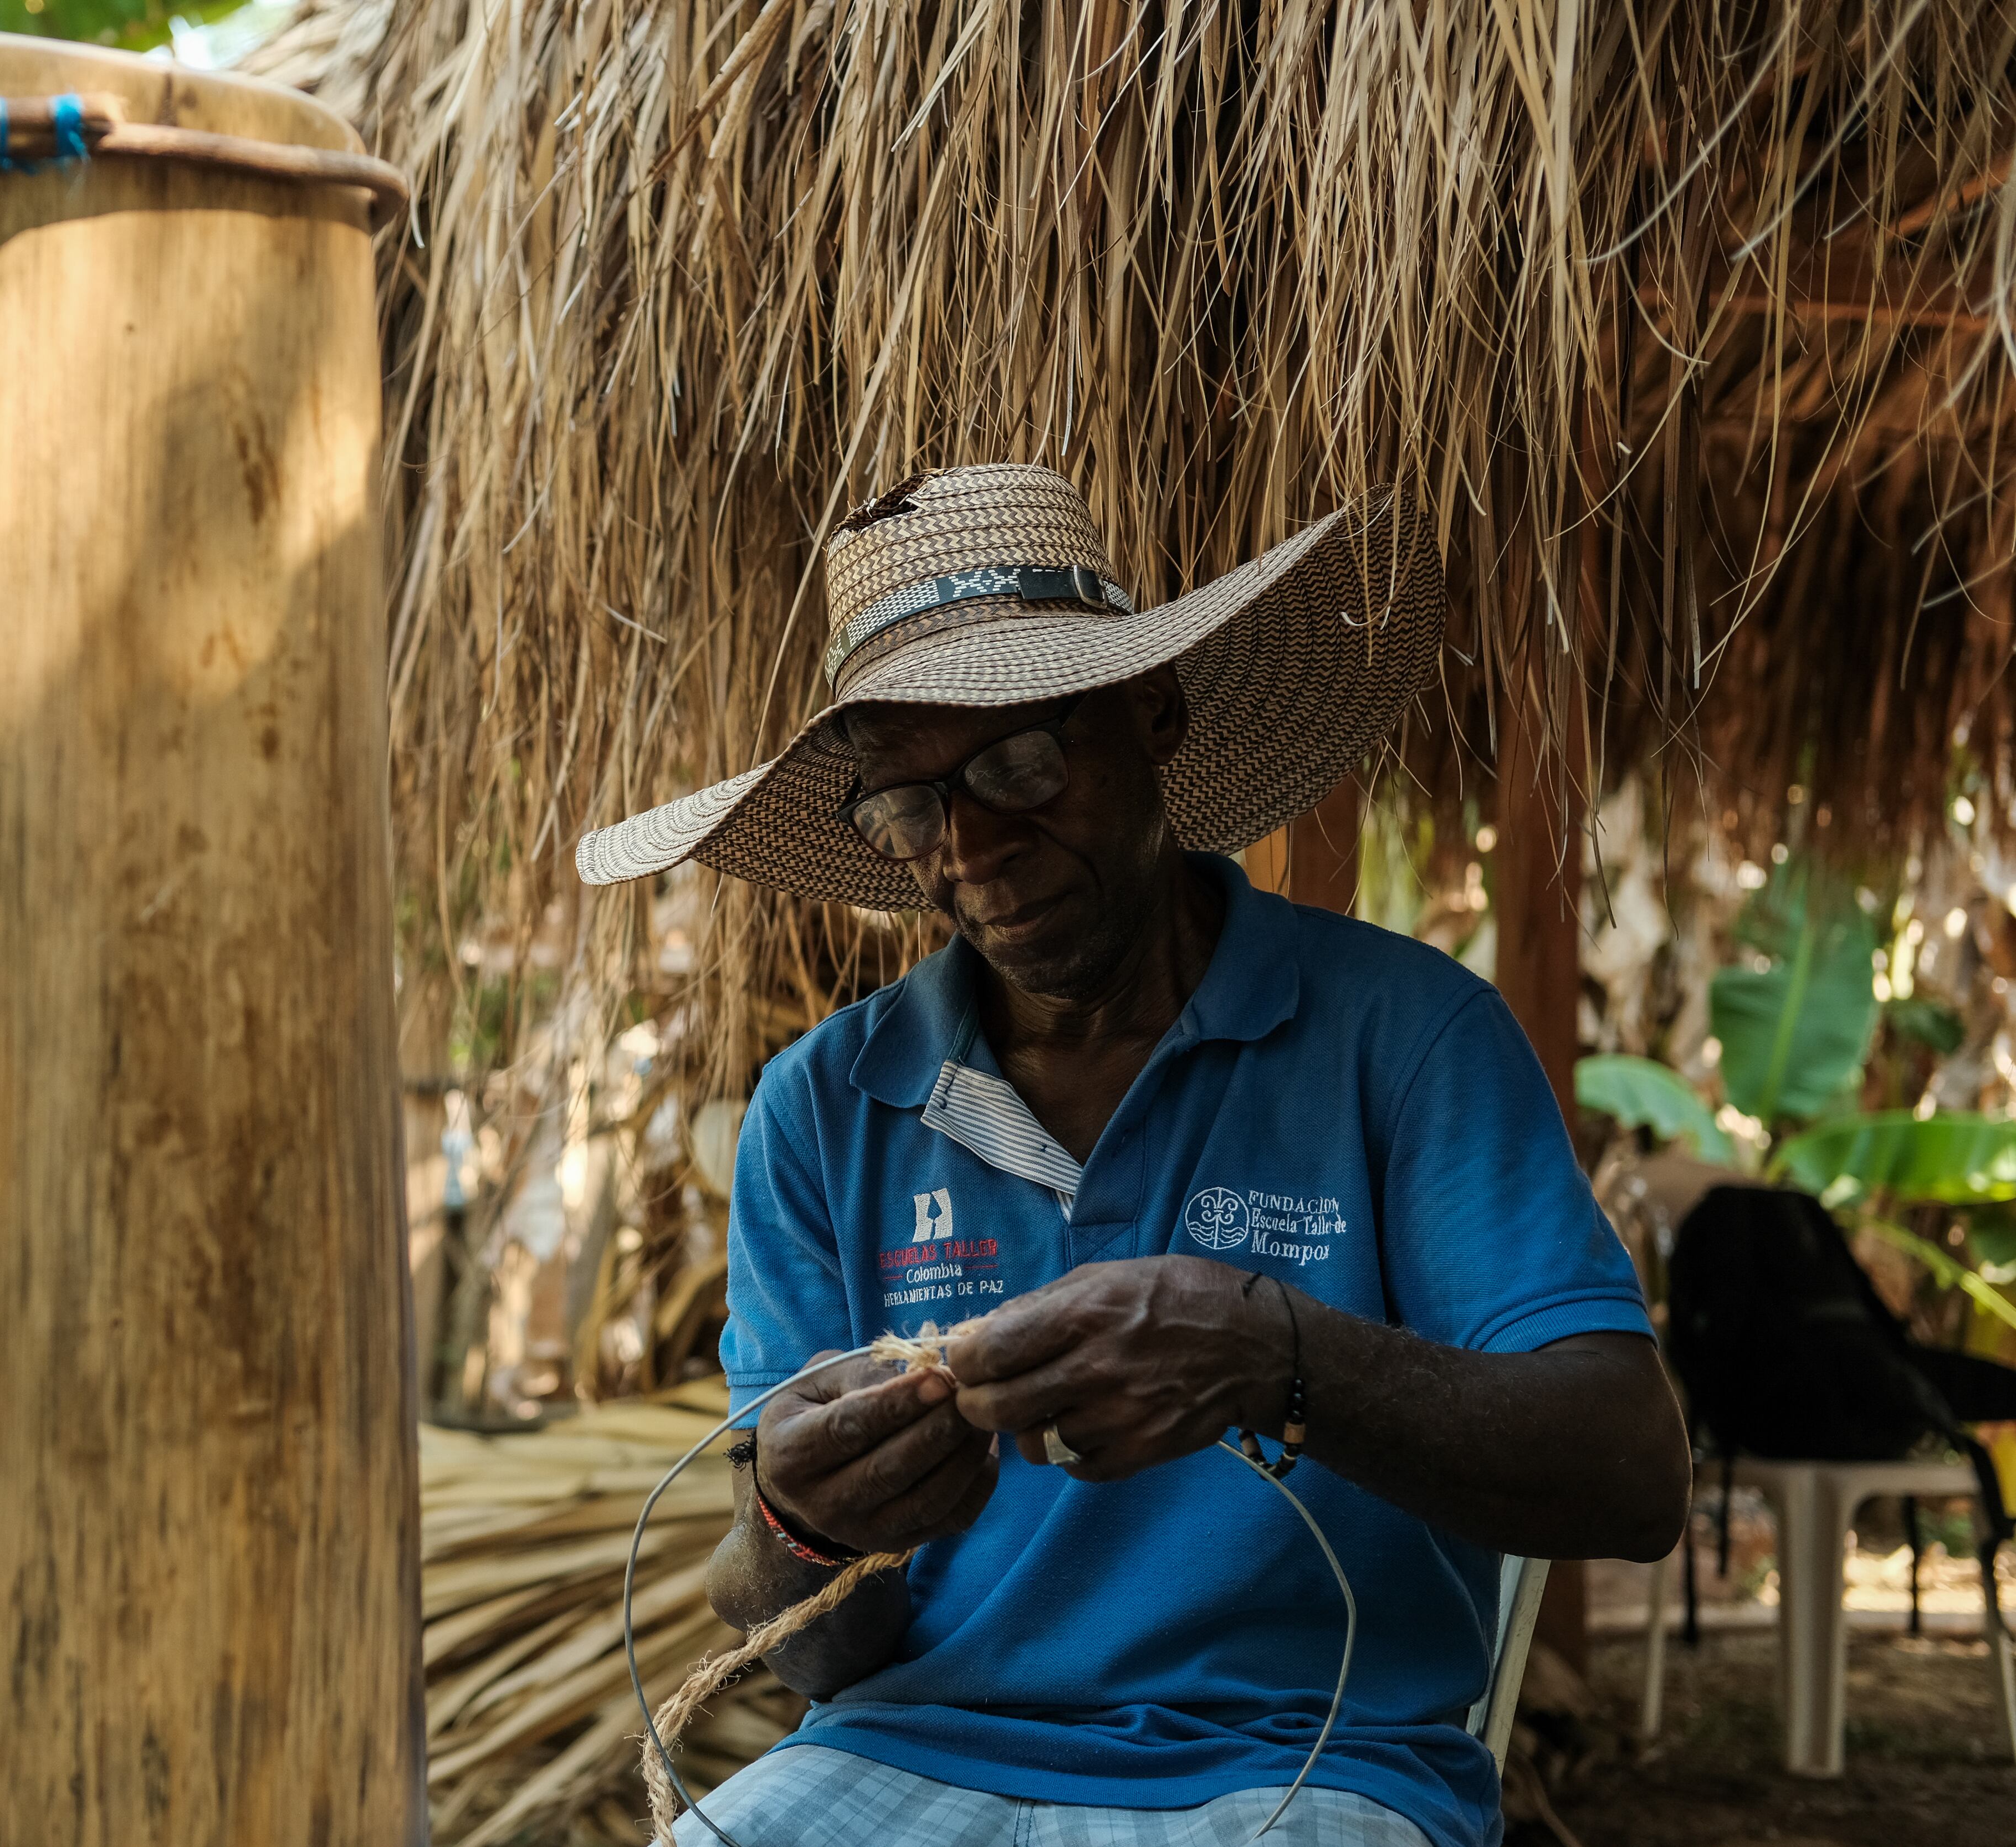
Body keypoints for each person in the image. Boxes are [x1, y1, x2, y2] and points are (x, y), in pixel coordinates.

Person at [574, 464, 1690, 1847]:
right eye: (912, 806)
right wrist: (806, 1529)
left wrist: (1269, 1352)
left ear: (1151, 717)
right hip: (908, 1746)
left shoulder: (1403, 1035)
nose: (971, 845)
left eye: (1020, 764)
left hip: (1304, 1764)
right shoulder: (823, 1105)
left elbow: (1632, 1477)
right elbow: (814, 1655)